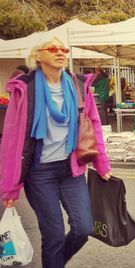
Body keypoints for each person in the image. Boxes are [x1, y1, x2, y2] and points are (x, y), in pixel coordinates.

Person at [0, 37, 111, 268]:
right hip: (39, 174)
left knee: (83, 228)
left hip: (71, 169)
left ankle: (55, 262)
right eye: (52, 49)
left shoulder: (78, 85)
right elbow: (12, 139)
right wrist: (9, 187)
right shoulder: (25, 88)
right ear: (37, 56)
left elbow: (94, 125)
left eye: (63, 49)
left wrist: (102, 164)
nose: (60, 52)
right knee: (54, 236)